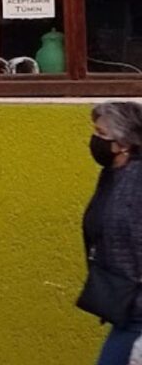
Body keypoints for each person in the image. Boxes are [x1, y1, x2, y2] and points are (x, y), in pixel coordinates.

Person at [81, 101, 142, 365]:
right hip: (124, 305)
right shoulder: (112, 174)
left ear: (124, 144)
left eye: (102, 135)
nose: (95, 140)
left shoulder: (137, 181)